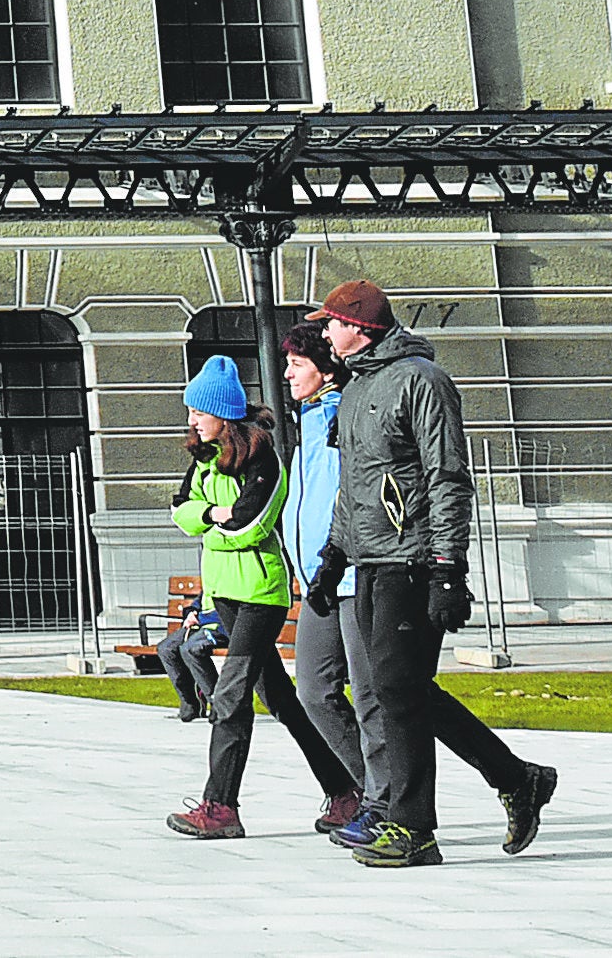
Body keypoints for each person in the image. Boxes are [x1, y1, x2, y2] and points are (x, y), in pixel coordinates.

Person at [304, 280, 558, 867]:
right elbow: (355, 486)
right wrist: (333, 555)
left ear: (360, 327)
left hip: (413, 558)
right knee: (403, 690)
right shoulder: (356, 387)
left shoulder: (421, 381)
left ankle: (413, 829)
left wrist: (448, 568)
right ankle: (517, 778)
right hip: (368, 561)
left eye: (332, 324)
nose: (324, 334)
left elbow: (447, 477)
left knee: (396, 690)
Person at [160, 357, 356, 840]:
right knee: (282, 701)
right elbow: (180, 512)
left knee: (229, 696)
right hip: (224, 591)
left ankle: (221, 807)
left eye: (198, 412)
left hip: (260, 594)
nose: (191, 421)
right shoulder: (202, 459)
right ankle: (345, 791)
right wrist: (213, 514)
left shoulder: (264, 459)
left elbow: (250, 523)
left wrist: (211, 522)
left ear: (222, 415)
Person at [278, 320, 367, 837]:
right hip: (317, 582)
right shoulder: (310, 418)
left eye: (297, 363)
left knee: (381, 695)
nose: (287, 372)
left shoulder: (340, 416)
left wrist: (335, 556)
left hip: (352, 577)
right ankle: (370, 791)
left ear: (325, 369)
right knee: (313, 691)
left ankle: (392, 802)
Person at [153, 596, 223, 721]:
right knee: (166, 649)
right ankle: (189, 701)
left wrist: (202, 618)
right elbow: (203, 598)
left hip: (221, 625)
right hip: (201, 623)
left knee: (191, 649)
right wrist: (192, 611)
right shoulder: (212, 578)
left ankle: (217, 703)